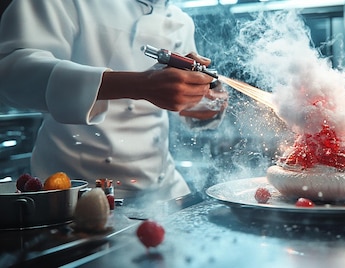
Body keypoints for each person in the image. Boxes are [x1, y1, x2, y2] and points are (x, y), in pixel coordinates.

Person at [0, 0, 228, 200]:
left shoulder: (182, 21)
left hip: (164, 189)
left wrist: (207, 102)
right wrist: (139, 85)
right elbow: (12, 74)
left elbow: (184, 100)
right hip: (75, 190)